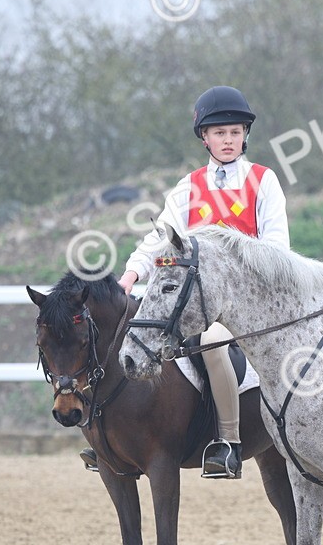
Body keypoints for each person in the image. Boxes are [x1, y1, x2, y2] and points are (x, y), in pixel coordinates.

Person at [114, 86, 290, 478]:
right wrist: (129, 276)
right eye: (219, 133)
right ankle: (115, 435)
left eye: (234, 132)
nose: (228, 140)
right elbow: (159, 241)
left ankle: (227, 442)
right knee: (137, 329)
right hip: (198, 301)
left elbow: (277, 249)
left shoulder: (265, 180)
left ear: (245, 135)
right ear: (205, 138)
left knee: (211, 341)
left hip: (249, 302)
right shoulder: (188, 186)